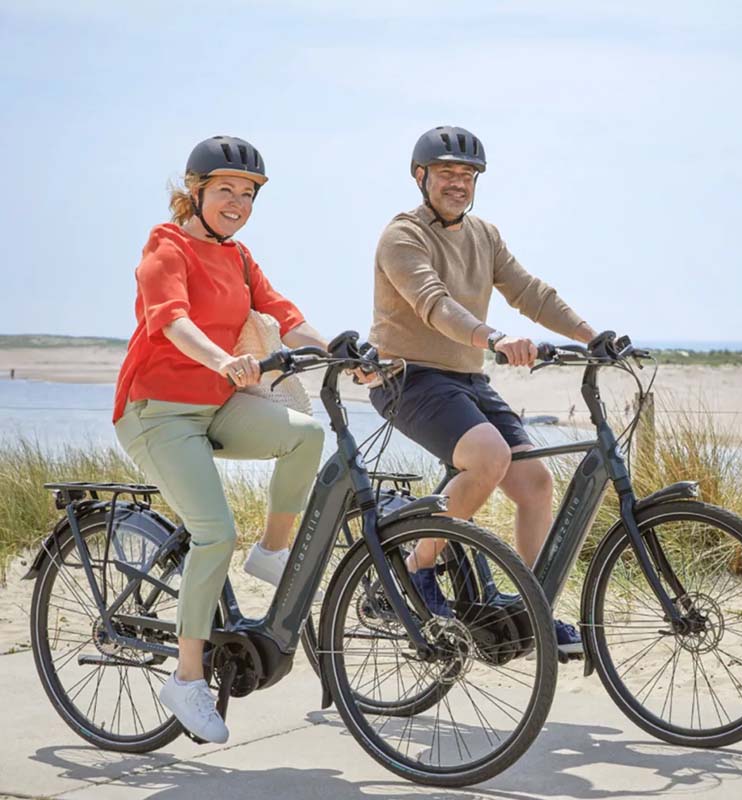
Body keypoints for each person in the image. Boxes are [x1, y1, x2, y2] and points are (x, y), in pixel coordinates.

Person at [112, 136, 331, 743]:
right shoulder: (166, 245)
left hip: (217, 407)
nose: (238, 202)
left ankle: (273, 550)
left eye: (248, 193)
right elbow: (171, 318)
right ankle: (186, 678)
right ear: (196, 191)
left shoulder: (237, 257)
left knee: (306, 437)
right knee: (214, 533)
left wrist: (339, 353)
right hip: (157, 412)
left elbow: (281, 310)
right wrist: (221, 360)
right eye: (226, 190)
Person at [368, 125, 597, 656]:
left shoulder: (484, 235)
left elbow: (528, 291)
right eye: (447, 172)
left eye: (468, 175)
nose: (458, 183)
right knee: (488, 456)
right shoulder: (402, 236)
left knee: (536, 483)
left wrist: (594, 337)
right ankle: (416, 569)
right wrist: (492, 337)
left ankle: (532, 609)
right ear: (420, 176)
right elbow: (434, 303)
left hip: (466, 379)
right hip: (409, 378)